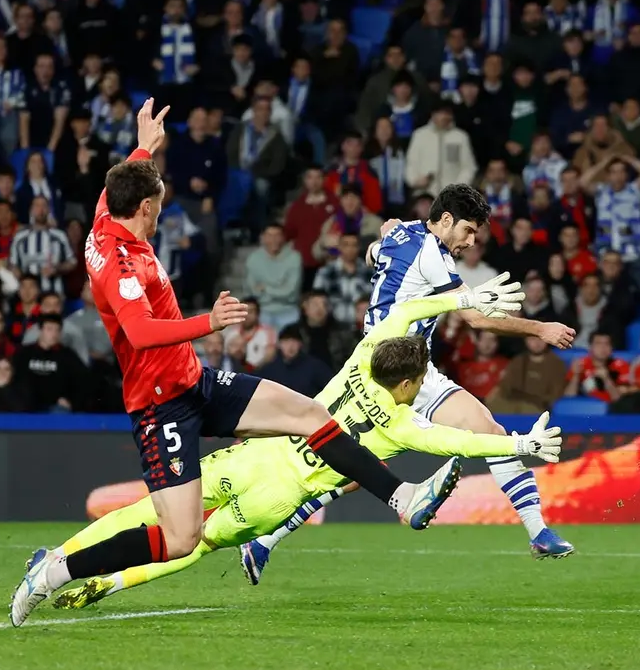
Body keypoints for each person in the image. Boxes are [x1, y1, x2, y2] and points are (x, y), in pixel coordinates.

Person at [10, 100, 463, 627]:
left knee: (311, 417)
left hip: (195, 382)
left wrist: (144, 145)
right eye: (158, 204)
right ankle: (53, 572)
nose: (161, 210)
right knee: (181, 540)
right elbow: (138, 333)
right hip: (162, 407)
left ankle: (402, 498)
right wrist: (211, 322)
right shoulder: (118, 261)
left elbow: (128, 181)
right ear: (144, 209)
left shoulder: (109, 210)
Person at [42, 286, 563, 610]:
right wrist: (522, 443)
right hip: (276, 497)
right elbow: (463, 441)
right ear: (409, 383)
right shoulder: (402, 427)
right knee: (191, 544)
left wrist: (464, 299)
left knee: (150, 511)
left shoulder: (360, 361)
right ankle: (107, 585)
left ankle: (61, 557)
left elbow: (407, 310)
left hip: (256, 456)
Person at [243, 183, 578, 574]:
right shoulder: (431, 253)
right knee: (346, 469)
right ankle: (264, 538)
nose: (471, 242)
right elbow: (474, 317)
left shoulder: (401, 233)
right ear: (447, 220)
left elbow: (374, 252)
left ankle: (538, 532)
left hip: (414, 371)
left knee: (488, 431)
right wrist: (540, 329)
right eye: (468, 231)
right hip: (381, 376)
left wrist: (383, 237)